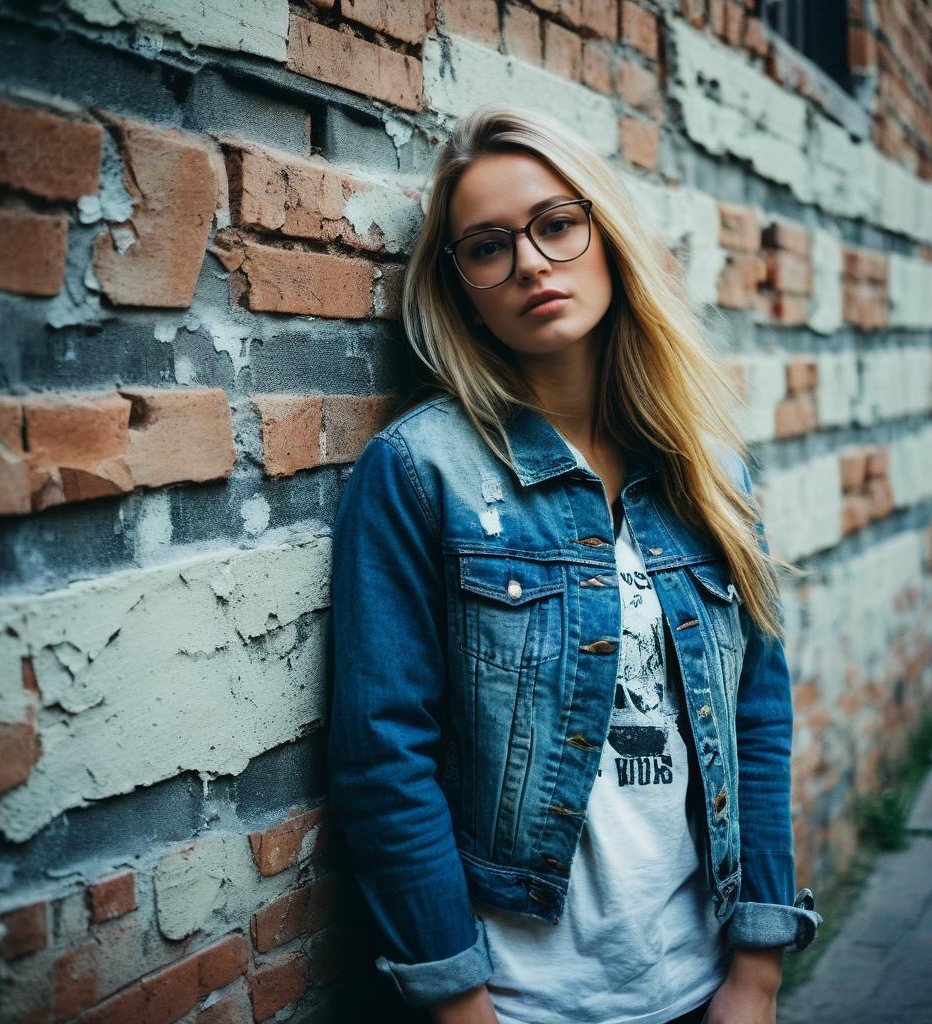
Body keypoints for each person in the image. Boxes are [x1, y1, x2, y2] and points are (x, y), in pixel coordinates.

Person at [327, 104, 822, 1024]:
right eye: (488, 246)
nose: (529, 263)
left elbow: (758, 713)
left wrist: (758, 968)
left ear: (606, 230)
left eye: (557, 223)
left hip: (700, 981)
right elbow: (382, 757)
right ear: (460, 282)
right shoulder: (422, 471)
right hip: (519, 1001)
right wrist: (457, 1002)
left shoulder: (708, 469)